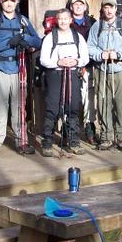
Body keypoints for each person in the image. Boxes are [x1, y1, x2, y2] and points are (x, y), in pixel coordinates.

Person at [0, 0, 42, 156]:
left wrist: (24, 39)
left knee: (19, 107)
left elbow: (37, 41)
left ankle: (21, 141)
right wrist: (11, 42)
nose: (9, 3)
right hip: (0, 68)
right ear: (1, 3)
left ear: (16, 3)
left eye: (12, 1)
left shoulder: (23, 20)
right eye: (6, 1)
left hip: (19, 68)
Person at [87, 0, 122, 151]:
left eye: (111, 7)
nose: (108, 10)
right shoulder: (97, 26)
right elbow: (90, 47)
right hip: (102, 70)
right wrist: (99, 55)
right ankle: (106, 137)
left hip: (120, 70)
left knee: (121, 105)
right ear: (102, 9)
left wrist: (118, 54)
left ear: (116, 9)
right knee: (103, 104)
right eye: (105, 7)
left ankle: (121, 137)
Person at [40, 9, 90, 156]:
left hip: (73, 74)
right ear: (56, 20)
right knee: (52, 108)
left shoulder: (78, 37)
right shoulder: (50, 37)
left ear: (70, 20)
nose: (62, 21)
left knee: (73, 107)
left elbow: (85, 58)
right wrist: (58, 62)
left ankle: (73, 142)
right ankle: (47, 143)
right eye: (60, 19)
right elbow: (43, 60)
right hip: (55, 74)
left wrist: (75, 61)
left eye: (65, 19)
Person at [67, 0, 98, 144]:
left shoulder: (93, 23)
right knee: (70, 99)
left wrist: (87, 64)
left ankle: (90, 129)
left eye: (81, 4)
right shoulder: (65, 22)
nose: (78, 7)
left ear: (85, 7)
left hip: (89, 66)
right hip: (70, 66)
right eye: (75, 4)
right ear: (71, 7)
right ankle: (69, 131)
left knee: (89, 100)